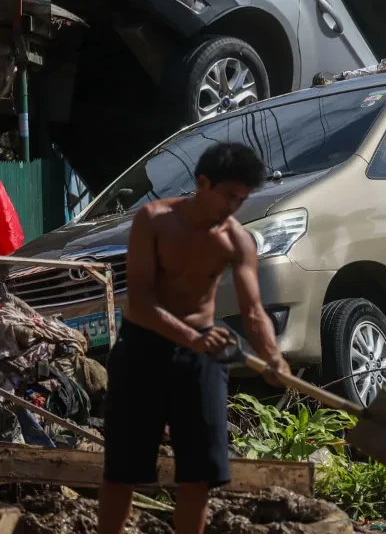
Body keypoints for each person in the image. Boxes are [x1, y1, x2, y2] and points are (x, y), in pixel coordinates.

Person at [98, 142, 291, 534]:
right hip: (143, 349)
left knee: (199, 476)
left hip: (200, 356)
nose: (234, 207)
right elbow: (141, 301)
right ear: (203, 183)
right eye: (228, 196)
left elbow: (254, 311)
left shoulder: (237, 240)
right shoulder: (154, 220)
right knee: (123, 471)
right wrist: (191, 337)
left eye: (241, 199)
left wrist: (274, 357)